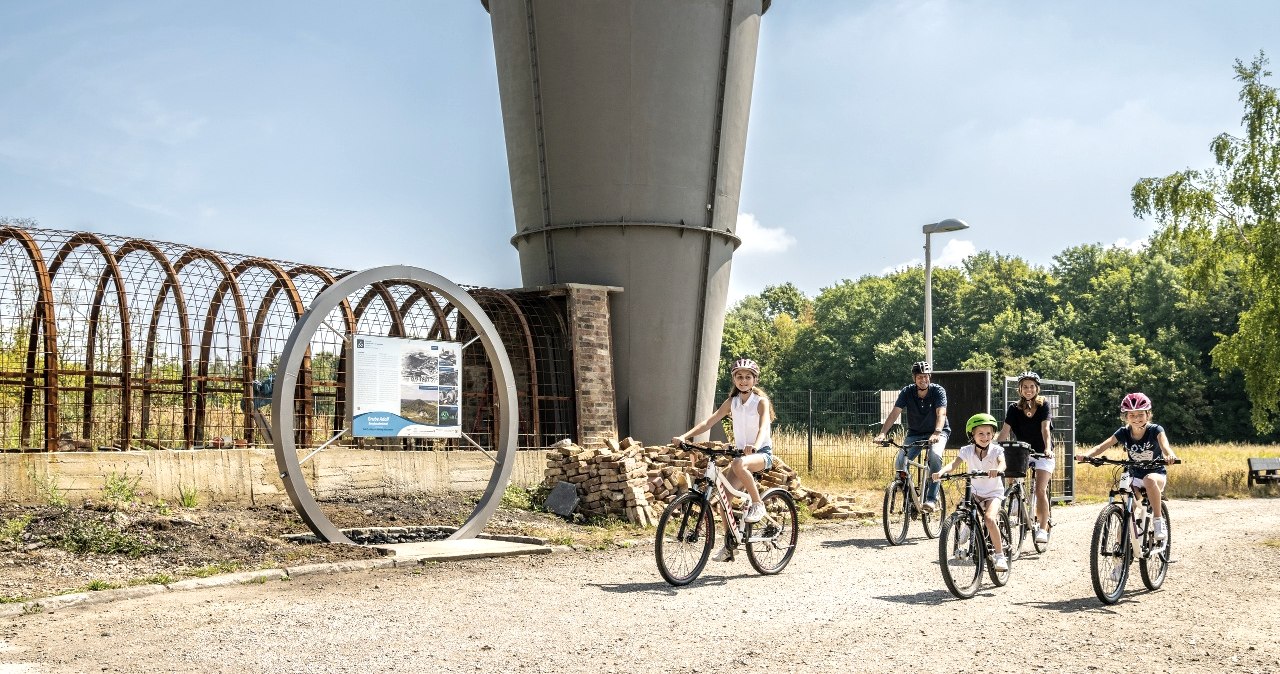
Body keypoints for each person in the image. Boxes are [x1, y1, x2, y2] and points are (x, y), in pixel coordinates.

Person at [672, 357, 775, 562]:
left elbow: (763, 426)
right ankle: (730, 544)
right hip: (741, 456)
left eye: (747, 377)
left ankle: (757, 503)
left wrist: (754, 444)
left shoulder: (760, 401)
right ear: (734, 380)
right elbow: (708, 422)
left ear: (755, 380)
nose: (743, 381)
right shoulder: (732, 402)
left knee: (738, 464)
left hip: (761, 453)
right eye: (739, 377)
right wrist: (685, 437)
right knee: (722, 500)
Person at [1076, 392, 1178, 544]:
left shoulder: (1155, 430)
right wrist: (1087, 455)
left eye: (1140, 415)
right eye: (1132, 415)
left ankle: (1158, 520)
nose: (1136, 419)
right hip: (1135, 477)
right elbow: (1102, 446)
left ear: (1148, 414)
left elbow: (1165, 446)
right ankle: (1121, 550)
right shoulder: (1124, 432)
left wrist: (1170, 455)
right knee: (1126, 508)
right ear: (1126, 417)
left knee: (1149, 480)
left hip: (1155, 474)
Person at [933, 413, 1009, 572]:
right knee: (963, 507)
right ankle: (969, 524)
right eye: (980, 433)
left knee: (989, 519)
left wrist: (998, 470)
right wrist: (941, 472)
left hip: (993, 492)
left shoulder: (996, 450)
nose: (985, 437)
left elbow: (1003, 464)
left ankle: (1000, 556)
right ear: (972, 435)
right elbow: (954, 464)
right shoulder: (966, 450)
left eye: (989, 433)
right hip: (975, 491)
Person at [874, 361, 950, 512]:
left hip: (938, 431)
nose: (923, 380)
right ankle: (911, 498)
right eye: (919, 377)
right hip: (915, 433)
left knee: (934, 456)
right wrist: (883, 433)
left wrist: (936, 432)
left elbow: (941, 413)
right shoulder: (907, 392)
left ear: (930, 377)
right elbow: (894, 413)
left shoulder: (938, 391)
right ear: (914, 378)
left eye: (926, 376)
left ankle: (931, 499)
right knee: (900, 462)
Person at [996, 371, 1054, 545]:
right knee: (1010, 475)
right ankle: (1015, 500)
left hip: (1042, 452)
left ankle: (1043, 528)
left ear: (1037, 388)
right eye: (1025, 387)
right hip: (1022, 451)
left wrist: (1048, 448)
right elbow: (1005, 432)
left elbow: (1045, 429)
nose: (1028, 390)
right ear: (1020, 389)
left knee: (1040, 490)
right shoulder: (1014, 408)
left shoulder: (1044, 405)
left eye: (1031, 386)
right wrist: (993, 447)